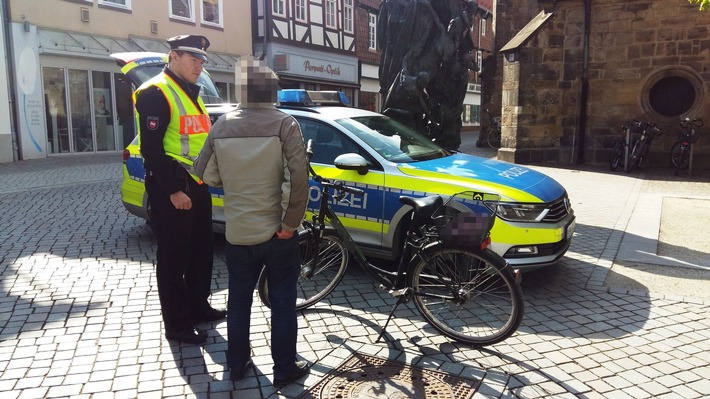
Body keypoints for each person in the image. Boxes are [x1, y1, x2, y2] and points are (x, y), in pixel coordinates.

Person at [194, 57, 310, 387]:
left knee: (239, 300)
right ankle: (284, 367)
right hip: (278, 233)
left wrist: (235, 181)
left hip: (238, 231)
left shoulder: (221, 126)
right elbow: (298, 177)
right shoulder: (285, 124)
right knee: (283, 301)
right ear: (271, 90)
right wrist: (290, 222)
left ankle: (237, 362)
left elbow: (205, 174)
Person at [133, 34, 226, 345]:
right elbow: (152, 149)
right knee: (174, 258)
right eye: (193, 58)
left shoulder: (190, 92)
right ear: (173, 56)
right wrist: (173, 190)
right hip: (170, 186)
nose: (199, 65)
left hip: (196, 184)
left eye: (201, 60)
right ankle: (177, 324)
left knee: (201, 251)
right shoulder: (156, 92)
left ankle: (198, 307)